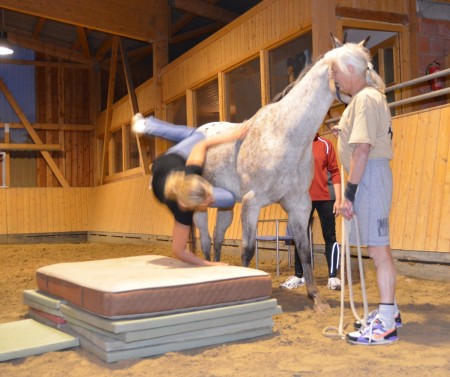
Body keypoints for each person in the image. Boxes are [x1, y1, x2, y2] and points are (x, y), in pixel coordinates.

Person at [329, 42, 401, 345]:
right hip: (370, 176)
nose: (335, 79)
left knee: (379, 250)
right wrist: (343, 133)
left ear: (349, 69)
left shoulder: (366, 99)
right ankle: (391, 312)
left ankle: (386, 323)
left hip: (369, 177)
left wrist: (348, 194)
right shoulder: (364, 100)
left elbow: (362, 149)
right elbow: (358, 141)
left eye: (335, 72)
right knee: (377, 249)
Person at [132, 114, 249, 266]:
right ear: (190, 205)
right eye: (207, 200)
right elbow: (179, 251)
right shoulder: (182, 213)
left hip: (171, 158)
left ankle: (146, 125)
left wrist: (233, 135)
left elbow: (202, 145)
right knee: (230, 199)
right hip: (164, 177)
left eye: (208, 195)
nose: (212, 199)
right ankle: (147, 126)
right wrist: (208, 264)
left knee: (199, 136)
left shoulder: (191, 173)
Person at [280, 133, 342, 291]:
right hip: (302, 199)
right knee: (300, 236)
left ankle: (333, 276)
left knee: (330, 236)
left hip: (325, 197)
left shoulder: (325, 144)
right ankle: (299, 276)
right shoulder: (296, 145)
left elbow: (334, 171)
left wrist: (339, 198)